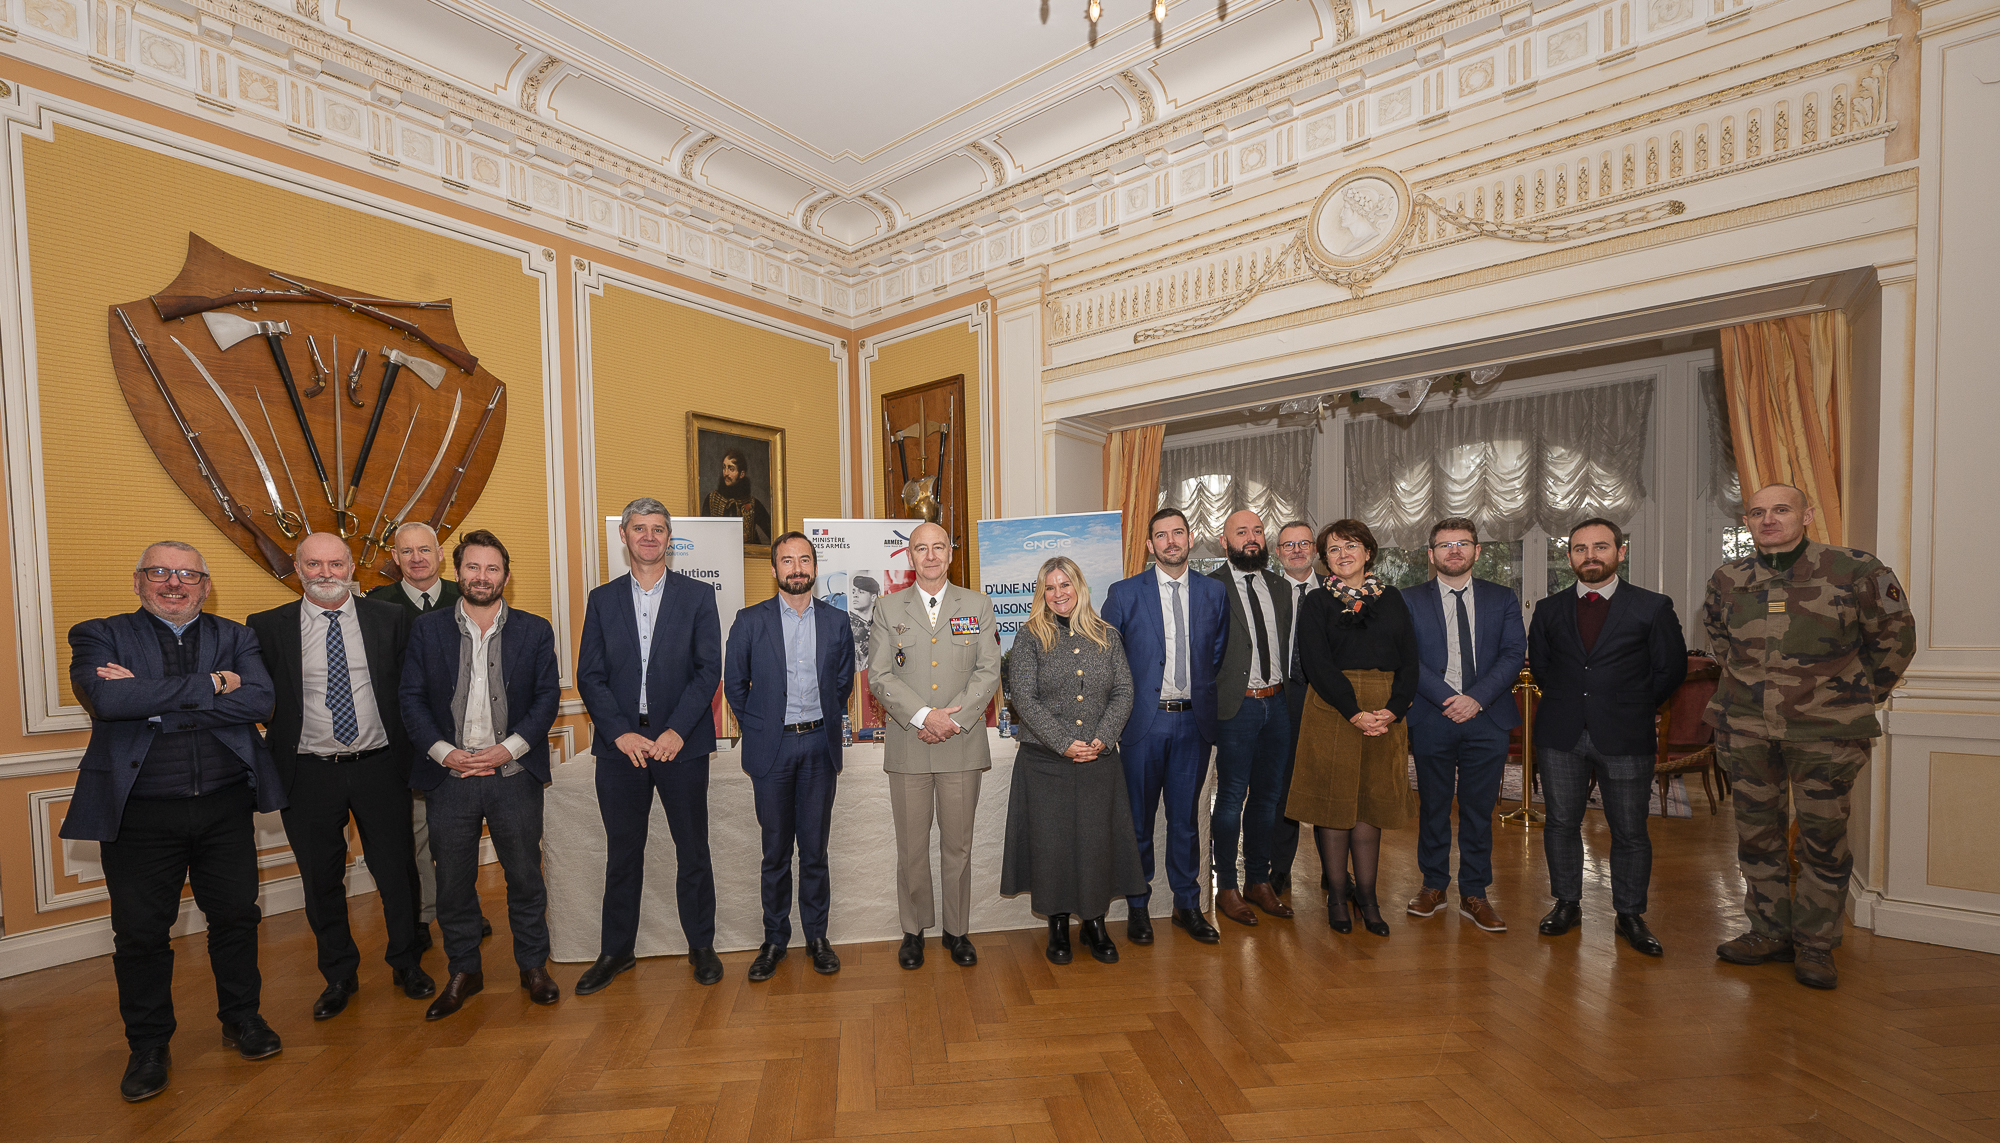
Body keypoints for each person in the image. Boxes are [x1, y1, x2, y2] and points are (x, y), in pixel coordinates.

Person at [64, 541, 285, 1102]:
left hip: (224, 804)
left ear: (205, 586)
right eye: (159, 572)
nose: (173, 583)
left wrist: (148, 696)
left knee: (236, 917)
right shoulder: (99, 633)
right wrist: (213, 685)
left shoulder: (236, 636)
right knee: (140, 933)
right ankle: (148, 1046)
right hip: (140, 812)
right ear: (138, 581)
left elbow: (260, 702)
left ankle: (242, 1019)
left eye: (188, 575)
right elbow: (110, 702)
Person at [1705, 483, 1915, 989]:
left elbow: (1895, 641)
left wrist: (1851, 697)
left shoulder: (1856, 570)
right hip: (1747, 729)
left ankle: (1816, 944)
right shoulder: (1729, 578)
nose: (1768, 519)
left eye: (1781, 509)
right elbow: (1720, 643)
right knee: (1757, 835)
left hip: (1827, 733)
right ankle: (1768, 931)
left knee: (1823, 838)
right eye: (1757, 512)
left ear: (1808, 514)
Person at [248, 533, 433, 1023]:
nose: (326, 573)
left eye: (335, 563)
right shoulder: (267, 627)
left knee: (397, 872)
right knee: (321, 879)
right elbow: (252, 694)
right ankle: (338, 975)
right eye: (314, 564)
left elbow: (414, 689)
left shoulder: (388, 619)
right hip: (307, 773)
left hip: (380, 766)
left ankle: (406, 962)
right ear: (297, 567)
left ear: (352, 565)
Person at [399, 529, 562, 1020]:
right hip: (449, 776)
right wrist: (446, 753)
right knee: (452, 881)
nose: (482, 577)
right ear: (457, 573)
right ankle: (465, 969)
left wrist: (504, 750)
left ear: (506, 577)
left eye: (493, 569)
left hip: (512, 774)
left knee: (525, 877)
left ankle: (533, 965)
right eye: (473, 567)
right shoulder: (427, 630)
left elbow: (546, 700)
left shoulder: (534, 630)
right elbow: (410, 699)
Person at [574, 499, 724, 992]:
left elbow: (708, 671)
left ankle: (701, 946)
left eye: (658, 529)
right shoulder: (601, 599)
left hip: (681, 743)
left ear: (669, 539)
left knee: (693, 851)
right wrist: (620, 733)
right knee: (623, 853)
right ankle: (617, 951)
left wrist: (677, 730)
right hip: (622, 746)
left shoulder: (699, 596)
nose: (649, 537)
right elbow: (589, 676)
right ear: (623, 535)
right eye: (640, 528)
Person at [1527, 518, 1687, 956]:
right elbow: (1541, 668)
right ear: (1570, 557)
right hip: (1561, 734)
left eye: (1600, 546)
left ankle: (1630, 914)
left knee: (1630, 830)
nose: (1590, 555)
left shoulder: (1652, 607)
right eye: (1580, 549)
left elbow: (1669, 670)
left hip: (1626, 734)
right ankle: (1566, 904)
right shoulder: (1548, 609)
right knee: (1561, 823)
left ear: (1620, 551)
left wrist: (1630, 706)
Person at [868, 521, 1002, 969]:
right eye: (920, 548)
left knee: (958, 845)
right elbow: (880, 676)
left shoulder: (977, 605)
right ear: (910, 557)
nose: (929, 556)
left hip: (960, 745)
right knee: (911, 845)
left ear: (950, 554)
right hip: (909, 744)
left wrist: (952, 720)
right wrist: (926, 717)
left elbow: (988, 672)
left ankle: (956, 930)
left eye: (938, 547)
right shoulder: (888, 609)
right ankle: (913, 929)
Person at [724, 532, 855, 980]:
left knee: (814, 851)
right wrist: (760, 726)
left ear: (814, 568)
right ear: (774, 569)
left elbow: (842, 684)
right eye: (787, 561)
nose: (796, 568)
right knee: (775, 853)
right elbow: (735, 687)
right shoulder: (748, 621)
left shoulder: (838, 622)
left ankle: (817, 938)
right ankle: (775, 939)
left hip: (819, 746)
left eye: (804, 560)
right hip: (772, 751)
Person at [1002, 557, 1144, 964]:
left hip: (1099, 760)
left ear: (1080, 587)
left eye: (1065, 584)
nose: (1059, 593)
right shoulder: (1030, 636)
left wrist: (1101, 738)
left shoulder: (1107, 636)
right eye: (1050, 587)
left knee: (1097, 844)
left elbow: (1123, 690)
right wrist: (1065, 742)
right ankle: (1058, 925)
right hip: (1045, 763)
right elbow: (1023, 698)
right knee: (1052, 848)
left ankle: (1095, 924)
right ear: (1041, 594)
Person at [1100, 508, 1229, 945]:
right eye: (1161, 535)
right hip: (1142, 724)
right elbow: (1107, 663)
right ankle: (1138, 905)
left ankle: (1186, 905)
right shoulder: (1123, 593)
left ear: (1190, 539)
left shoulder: (1214, 592)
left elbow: (1215, 653)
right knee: (1137, 821)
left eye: (1178, 533)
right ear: (1150, 545)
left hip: (1194, 723)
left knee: (1186, 821)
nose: (1171, 541)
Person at [1288, 521, 1419, 936]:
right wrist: (1354, 711)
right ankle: (1337, 896)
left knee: (1370, 806)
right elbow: (1316, 664)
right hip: (1332, 708)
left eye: (1351, 546)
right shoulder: (1316, 602)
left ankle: (1369, 898)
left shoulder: (1393, 598)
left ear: (1368, 552)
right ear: (1324, 559)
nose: (1342, 554)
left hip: (1385, 711)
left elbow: (1411, 660)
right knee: (1335, 804)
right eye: (1332, 549)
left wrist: (1393, 709)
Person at [1403, 517, 1526, 933]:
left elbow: (1512, 654)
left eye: (1462, 543)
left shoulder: (1502, 597)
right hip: (1431, 715)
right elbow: (1406, 658)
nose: (1453, 550)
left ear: (1477, 551)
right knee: (1433, 806)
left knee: (1478, 809)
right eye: (1444, 544)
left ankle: (1475, 892)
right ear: (1431, 553)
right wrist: (1446, 698)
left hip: (1486, 717)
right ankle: (1433, 886)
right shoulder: (1408, 599)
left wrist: (1476, 698)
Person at [367, 521, 482, 947]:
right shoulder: (378, 605)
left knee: (459, 837)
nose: (416, 558)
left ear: (439, 554)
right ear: (395, 558)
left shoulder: (468, 594)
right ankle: (424, 913)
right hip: (407, 742)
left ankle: (464, 908)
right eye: (406, 551)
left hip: (468, 742)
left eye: (425, 550)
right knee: (414, 836)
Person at [1206, 510, 1294, 926]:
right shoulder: (1209, 588)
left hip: (1277, 705)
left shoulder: (1280, 587)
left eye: (1258, 531)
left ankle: (1259, 881)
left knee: (1268, 798)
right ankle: (1226, 886)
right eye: (1242, 532)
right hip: (1234, 708)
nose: (1252, 538)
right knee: (1230, 799)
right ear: (1225, 542)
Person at [1270, 519, 1320, 899]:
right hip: (1280, 698)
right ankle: (1279, 868)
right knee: (1281, 786)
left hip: (1327, 701)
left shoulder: (1337, 592)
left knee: (1327, 785)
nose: (1297, 550)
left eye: (1304, 543)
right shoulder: (1265, 593)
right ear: (1277, 552)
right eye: (1289, 545)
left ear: (1315, 550)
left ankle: (1335, 871)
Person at [705, 446, 773, 546]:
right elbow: (703, 535)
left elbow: (774, 534)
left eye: (731, 469)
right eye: (724, 468)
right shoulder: (711, 500)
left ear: (741, 474)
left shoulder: (754, 504)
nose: (726, 473)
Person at [848, 574, 880, 663]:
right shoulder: (846, 623)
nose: (855, 595)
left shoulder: (882, 624)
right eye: (853, 592)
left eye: (861, 592)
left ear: (873, 597)